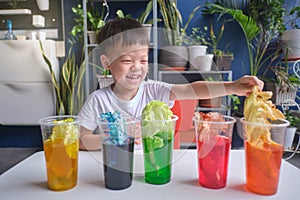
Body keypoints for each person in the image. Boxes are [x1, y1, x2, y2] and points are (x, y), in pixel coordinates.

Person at [78, 18, 264, 151]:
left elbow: (191, 89)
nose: (136, 68)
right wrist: (114, 135)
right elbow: (80, 140)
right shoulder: (98, 100)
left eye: (143, 61)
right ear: (106, 62)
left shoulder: (154, 90)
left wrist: (232, 87)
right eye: (127, 61)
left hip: (153, 168)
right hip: (114, 169)